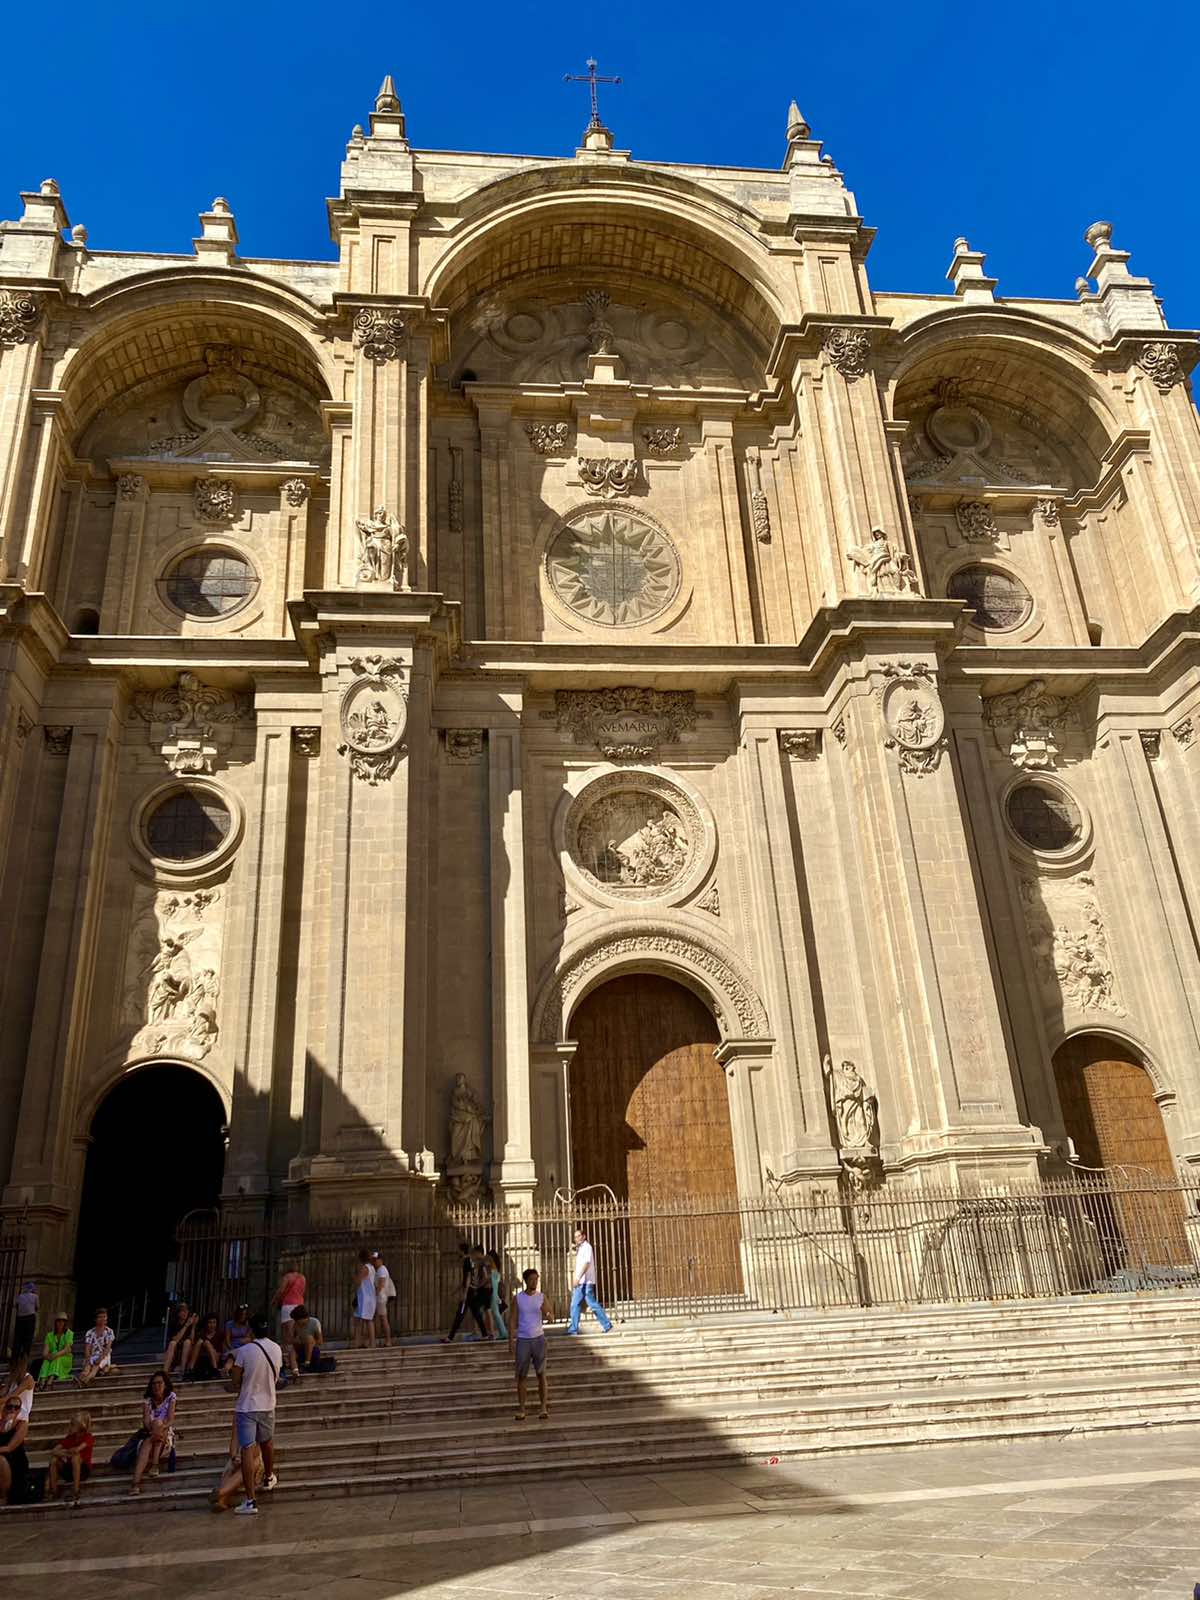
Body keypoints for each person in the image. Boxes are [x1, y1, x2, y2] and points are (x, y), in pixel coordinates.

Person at [228, 1312, 281, 1515]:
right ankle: (268, 1476)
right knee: (267, 1442)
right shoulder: (276, 1348)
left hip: (247, 1405)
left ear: (251, 1329)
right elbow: (275, 1375)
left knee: (247, 1449)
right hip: (268, 1403)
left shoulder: (244, 1351)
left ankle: (250, 1501)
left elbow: (235, 1380)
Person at [509, 1267, 553, 1422]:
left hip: (538, 1339)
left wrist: (547, 1313)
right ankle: (522, 1409)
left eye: (536, 1279)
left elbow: (551, 1317)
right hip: (523, 1340)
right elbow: (512, 1319)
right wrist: (510, 1340)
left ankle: (543, 1408)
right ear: (526, 1281)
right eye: (532, 1279)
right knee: (522, 1376)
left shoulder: (541, 1297)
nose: (535, 1282)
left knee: (541, 1374)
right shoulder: (518, 1298)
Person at [130, 1371, 175, 1495]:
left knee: (159, 1423)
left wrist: (159, 1427)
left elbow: (171, 1419)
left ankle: (136, 1483)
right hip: (151, 1433)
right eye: (154, 1383)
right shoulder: (147, 1401)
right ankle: (139, 1479)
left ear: (165, 1384)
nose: (157, 1386)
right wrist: (155, 1429)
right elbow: (145, 1422)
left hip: (166, 1433)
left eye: (160, 1383)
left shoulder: (171, 1397)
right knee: (148, 1442)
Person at [567, 1227, 613, 1334]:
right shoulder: (581, 1248)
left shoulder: (587, 1247)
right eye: (575, 1237)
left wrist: (578, 1277)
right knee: (577, 1304)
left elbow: (587, 1263)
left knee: (588, 1304)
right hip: (582, 1282)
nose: (577, 1238)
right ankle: (574, 1329)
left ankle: (606, 1324)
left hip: (585, 1282)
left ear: (584, 1236)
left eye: (579, 1236)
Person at [441, 1241, 489, 1343]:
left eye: (458, 1250)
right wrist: (457, 1290)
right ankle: (485, 1334)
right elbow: (466, 1279)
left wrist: (465, 1293)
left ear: (462, 1251)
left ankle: (450, 1337)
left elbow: (468, 1278)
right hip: (470, 1292)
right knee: (476, 1314)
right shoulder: (469, 1261)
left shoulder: (467, 1261)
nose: (457, 1252)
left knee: (460, 1314)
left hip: (469, 1293)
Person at [211, 1419, 260, 1514]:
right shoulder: (239, 1416)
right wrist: (234, 1457)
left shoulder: (259, 1416)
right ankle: (221, 1500)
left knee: (250, 1465)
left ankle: (221, 1493)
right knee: (230, 1467)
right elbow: (234, 1441)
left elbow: (259, 1448)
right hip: (240, 1455)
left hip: (255, 1457)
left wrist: (243, 1459)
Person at [47, 1409, 94, 1505]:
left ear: (81, 1426)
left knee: (76, 1457)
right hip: (69, 1469)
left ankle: (76, 1491)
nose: (70, 1426)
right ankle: (54, 1491)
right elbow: (54, 1451)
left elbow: (77, 1450)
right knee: (54, 1460)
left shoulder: (88, 1437)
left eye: (73, 1425)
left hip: (83, 1470)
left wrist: (66, 1452)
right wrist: (66, 1453)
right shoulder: (70, 1438)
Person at [272, 1260, 307, 1379]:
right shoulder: (302, 1278)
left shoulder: (287, 1277)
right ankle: (294, 1360)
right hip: (300, 1305)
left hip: (288, 1306)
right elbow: (302, 1292)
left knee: (287, 1335)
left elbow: (281, 1291)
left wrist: (274, 1300)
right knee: (296, 1333)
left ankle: (288, 1360)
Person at [0, 1385, 30, 1505]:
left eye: (16, 1407)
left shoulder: (22, 1424)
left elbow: (9, 1448)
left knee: (1, 1460)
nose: (13, 1409)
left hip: (14, 1458)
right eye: (10, 1406)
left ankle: (4, 1496)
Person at [78, 1307, 119, 1386]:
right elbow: (87, 1348)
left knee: (96, 1366)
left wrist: (100, 1358)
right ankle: (83, 1379)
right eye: (100, 1317)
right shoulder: (90, 1332)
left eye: (104, 1316)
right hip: (92, 1355)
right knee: (87, 1369)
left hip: (104, 1356)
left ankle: (85, 1381)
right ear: (96, 1319)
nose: (102, 1319)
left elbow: (107, 1348)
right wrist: (88, 1359)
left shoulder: (109, 1331)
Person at [37, 1313, 73, 1389]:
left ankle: (50, 1381)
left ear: (65, 1323)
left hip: (65, 1358)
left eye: (63, 1321)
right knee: (46, 1361)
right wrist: (49, 1356)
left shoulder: (69, 1333)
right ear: (55, 1322)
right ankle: (42, 1381)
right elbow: (45, 1353)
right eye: (58, 1321)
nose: (60, 1323)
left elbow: (67, 1349)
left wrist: (55, 1355)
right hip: (52, 1357)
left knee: (57, 1359)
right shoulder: (49, 1335)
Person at [186, 1313, 226, 1381]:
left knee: (207, 1342)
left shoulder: (219, 1334)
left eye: (214, 1322)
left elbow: (220, 1352)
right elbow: (192, 1342)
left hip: (215, 1358)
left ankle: (215, 1370)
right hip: (202, 1359)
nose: (212, 1325)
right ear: (206, 1324)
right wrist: (193, 1326)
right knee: (200, 1341)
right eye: (210, 1322)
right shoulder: (202, 1333)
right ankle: (190, 1369)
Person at [163, 1303, 197, 1377]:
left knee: (187, 1342)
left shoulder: (190, 1323)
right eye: (183, 1311)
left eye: (186, 1311)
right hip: (175, 1352)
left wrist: (193, 1326)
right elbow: (176, 1339)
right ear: (178, 1313)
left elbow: (192, 1341)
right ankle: (164, 1372)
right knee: (172, 1343)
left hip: (187, 1352)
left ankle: (182, 1371)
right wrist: (186, 1326)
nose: (185, 1313)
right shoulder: (174, 1323)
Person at [352, 1249, 376, 1349]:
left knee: (367, 1320)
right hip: (365, 1297)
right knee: (359, 1320)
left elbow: (358, 1281)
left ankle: (371, 1343)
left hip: (366, 1298)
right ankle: (358, 1342)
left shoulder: (365, 1268)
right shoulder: (372, 1267)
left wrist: (354, 1275)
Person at [289, 1305, 326, 1371]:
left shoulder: (314, 1322)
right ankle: (295, 1370)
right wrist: (296, 1340)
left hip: (312, 1351)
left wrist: (309, 1342)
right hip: (300, 1349)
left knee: (309, 1338)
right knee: (292, 1351)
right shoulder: (295, 1324)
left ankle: (307, 1363)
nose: (296, 1322)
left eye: (297, 1320)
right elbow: (291, 1340)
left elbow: (320, 1341)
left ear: (303, 1318)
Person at [371, 1250, 395, 1347]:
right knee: (379, 1319)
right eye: (373, 1260)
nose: (374, 1262)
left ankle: (388, 1340)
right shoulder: (379, 1270)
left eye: (376, 1260)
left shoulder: (381, 1270)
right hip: (380, 1297)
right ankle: (382, 1340)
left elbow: (381, 1284)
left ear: (380, 1260)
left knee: (383, 1319)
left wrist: (374, 1295)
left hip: (380, 1298)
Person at [485, 1250, 507, 1340]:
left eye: (488, 1258)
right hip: (494, 1294)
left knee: (496, 1313)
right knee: (495, 1313)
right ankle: (502, 1333)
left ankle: (503, 1333)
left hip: (493, 1294)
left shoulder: (492, 1270)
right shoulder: (495, 1269)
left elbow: (493, 1285)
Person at [12, 1282, 37, 1361]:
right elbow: (37, 1307)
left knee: (18, 1338)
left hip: (20, 1318)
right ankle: (24, 1356)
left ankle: (15, 1357)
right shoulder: (35, 1296)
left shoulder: (20, 1296)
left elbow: (16, 1306)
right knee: (28, 1338)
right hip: (30, 1318)